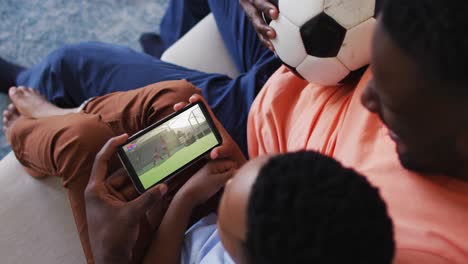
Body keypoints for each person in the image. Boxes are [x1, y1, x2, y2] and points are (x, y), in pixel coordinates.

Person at [0, 0, 282, 155]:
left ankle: (26, 82)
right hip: (289, 69)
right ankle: (163, 56)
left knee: (70, 66)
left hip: (263, 114)